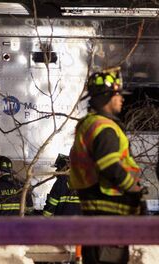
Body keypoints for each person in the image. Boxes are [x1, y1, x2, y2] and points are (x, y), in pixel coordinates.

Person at [69, 69, 142, 264]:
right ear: (106, 96)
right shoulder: (105, 128)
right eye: (118, 94)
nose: (122, 99)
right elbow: (109, 165)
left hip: (99, 217)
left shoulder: (90, 124)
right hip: (108, 216)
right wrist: (134, 189)